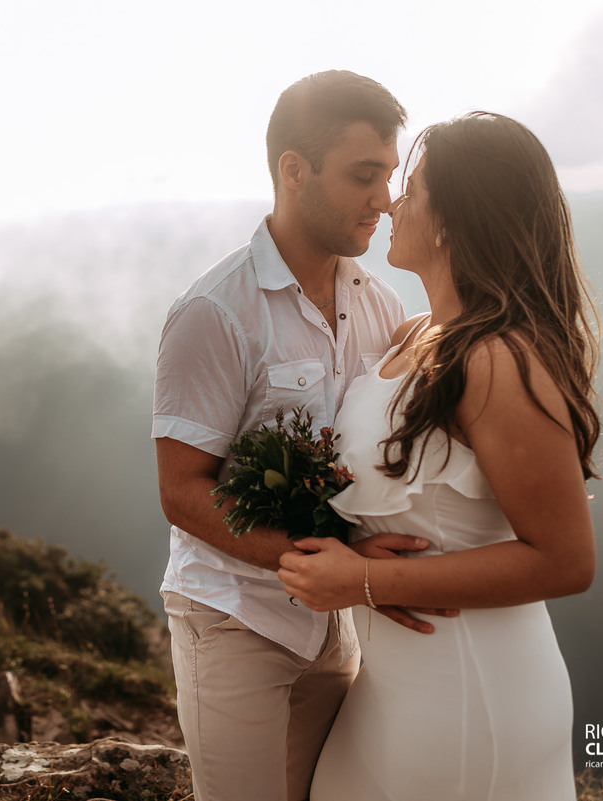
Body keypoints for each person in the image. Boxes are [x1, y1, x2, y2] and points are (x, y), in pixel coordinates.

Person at [278, 111, 601, 800]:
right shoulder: (412, 332)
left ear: (454, 218)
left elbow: (566, 559)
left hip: (469, 696)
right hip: (388, 690)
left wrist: (364, 583)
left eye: (414, 188)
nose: (394, 202)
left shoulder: (499, 360)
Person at [153, 71, 435, 801]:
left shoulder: (383, 304)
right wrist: (316, 563)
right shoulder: (213, 313)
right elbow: (182, 491)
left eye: (391, 176)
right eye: (364, 176)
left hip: (333, 626)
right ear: (293, 170)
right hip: (232, 617)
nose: (385, 198)